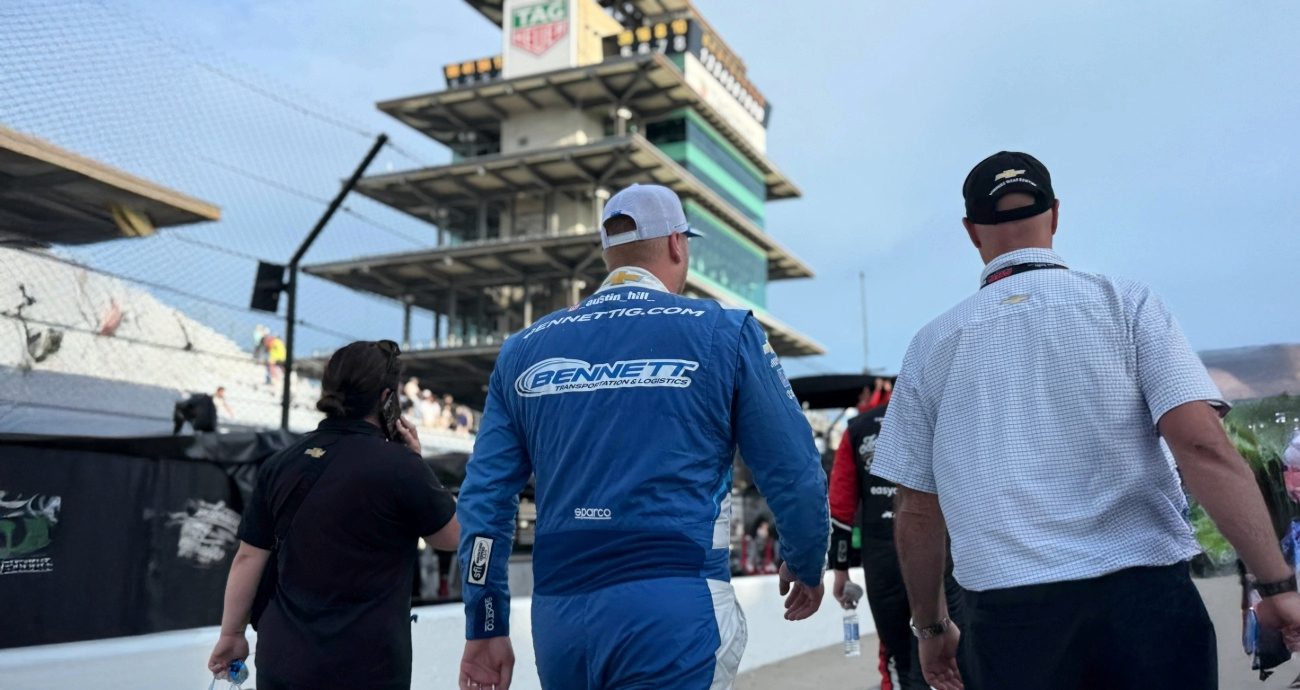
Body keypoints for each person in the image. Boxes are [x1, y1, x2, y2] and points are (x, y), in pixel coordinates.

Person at [870, 151, 1300, 690]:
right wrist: (1275, 581)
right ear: (1054, 214)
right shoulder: (1126, 303)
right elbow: (1204, 448)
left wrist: (931, 627)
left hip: (1010, 619)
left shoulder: (932, 346)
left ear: (971, 232)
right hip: (1147, 603)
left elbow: (916, 509)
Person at [456, 183, 830, 690]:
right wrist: (806, 560)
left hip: (560, 618)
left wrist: (485, 622)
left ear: (607, 253)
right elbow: (795, 471)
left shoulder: (524, 347)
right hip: (676, 606)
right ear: (678, 244)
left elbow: (484, 502)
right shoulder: (724, 329)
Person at [206, 340, 460, 690]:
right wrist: (416, 459)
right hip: (367, 666)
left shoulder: (280, 464)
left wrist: (231, 633)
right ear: (387, 399)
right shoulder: (402, 468)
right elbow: (451, 537)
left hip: (284, 662)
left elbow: (248, 557)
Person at [829, 382, 962, 690]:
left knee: (896, 654)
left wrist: (840, 568)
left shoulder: (857, 428)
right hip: (938, 552)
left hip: (883, 559)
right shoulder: (940, 420)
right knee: (948, 651)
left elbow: (840, 507)